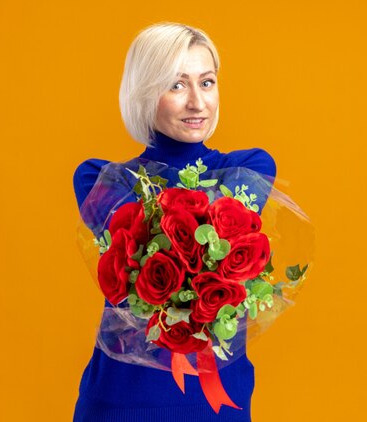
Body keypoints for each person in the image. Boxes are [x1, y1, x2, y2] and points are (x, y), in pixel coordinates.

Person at [72, 22, 276, 422]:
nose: (198, 103)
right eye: (177, 85)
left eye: (207, 82)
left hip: (218, 400)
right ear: (145, 92)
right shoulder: (99, 179)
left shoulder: (249, 167)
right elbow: (164, 244)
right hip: (121, 401)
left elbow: (191, 238)